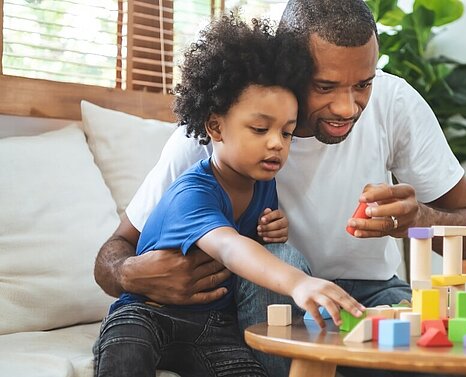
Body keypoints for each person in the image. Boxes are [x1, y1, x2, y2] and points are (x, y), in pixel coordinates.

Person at [94, 0, 466, 376]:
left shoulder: (394, 103)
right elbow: (114, 253)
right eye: (325, 85)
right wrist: (132, 275)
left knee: (453, 364)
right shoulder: (220, 134)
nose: (348, 108)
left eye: (363, 84)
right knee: (281, 255)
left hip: (370, 293)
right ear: (289, 68)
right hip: (274, 296)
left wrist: (419, 219)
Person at [92, 15, 363, 377]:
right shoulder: (192, 192)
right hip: (147, 315)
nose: (276, 144)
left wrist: (270, 231)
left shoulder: (262, 180)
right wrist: (299, 282)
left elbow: (247, 248)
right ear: (215, 126)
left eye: (286, 133)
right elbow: (230, 247)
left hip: (212, 328)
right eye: (260, 128)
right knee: (126, 354)